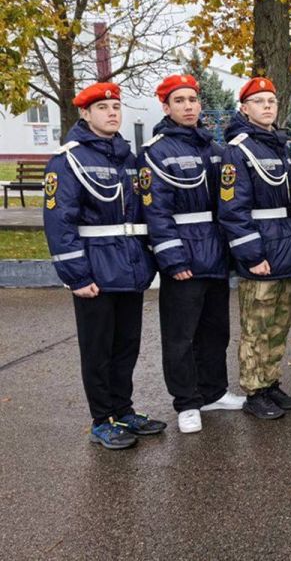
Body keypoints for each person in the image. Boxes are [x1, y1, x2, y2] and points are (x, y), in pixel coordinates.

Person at [43, 82, 165, 449]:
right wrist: (76, 276)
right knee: (98, 350)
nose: (112, 113)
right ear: (85, 113)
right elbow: (59, 224)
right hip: (95, 273)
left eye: (116, 107)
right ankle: (102, 420)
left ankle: (124, 411)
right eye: (102, 108)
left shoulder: (128, 159)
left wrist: (146, 264)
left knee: (127, 346)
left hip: (129, 269)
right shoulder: (68, 160)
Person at [139, 74, 245, 434]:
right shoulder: (156, 151)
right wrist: (173, 259)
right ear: (166, 107)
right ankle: (186, 401)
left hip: (214, 253)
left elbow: (228, 205)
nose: (188, 107)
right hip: (184, 256)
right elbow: (155, 212)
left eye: (192, 100)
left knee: (215, 331)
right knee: (180, 336)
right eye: (179, 101)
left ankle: (214, 391)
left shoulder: (214, 150)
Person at [219, 77, 291, 420]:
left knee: (279, 323)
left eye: (271, 101)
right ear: (244, 109)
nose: (268, 106)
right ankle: (254, 390)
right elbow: (232, 210)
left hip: (284, 247)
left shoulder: (277, 146)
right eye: (259, 102)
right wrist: (252, 255)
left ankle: (270, 383)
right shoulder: (237, 150)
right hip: (261, 254)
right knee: (256, 326)